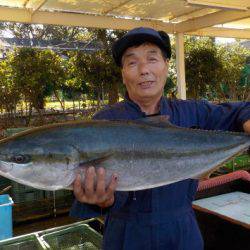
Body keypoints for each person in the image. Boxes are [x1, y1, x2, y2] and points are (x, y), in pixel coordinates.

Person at [70, 27, 250, 250]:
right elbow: (85, 193)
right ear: (123, 74)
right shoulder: (103, 123)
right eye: (132, 63)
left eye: (152, 59)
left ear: (166, 66)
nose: (144, 70)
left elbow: (242, 109)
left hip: (182, 233)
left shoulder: (193, 112)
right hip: (126, 236)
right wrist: (102, 202)